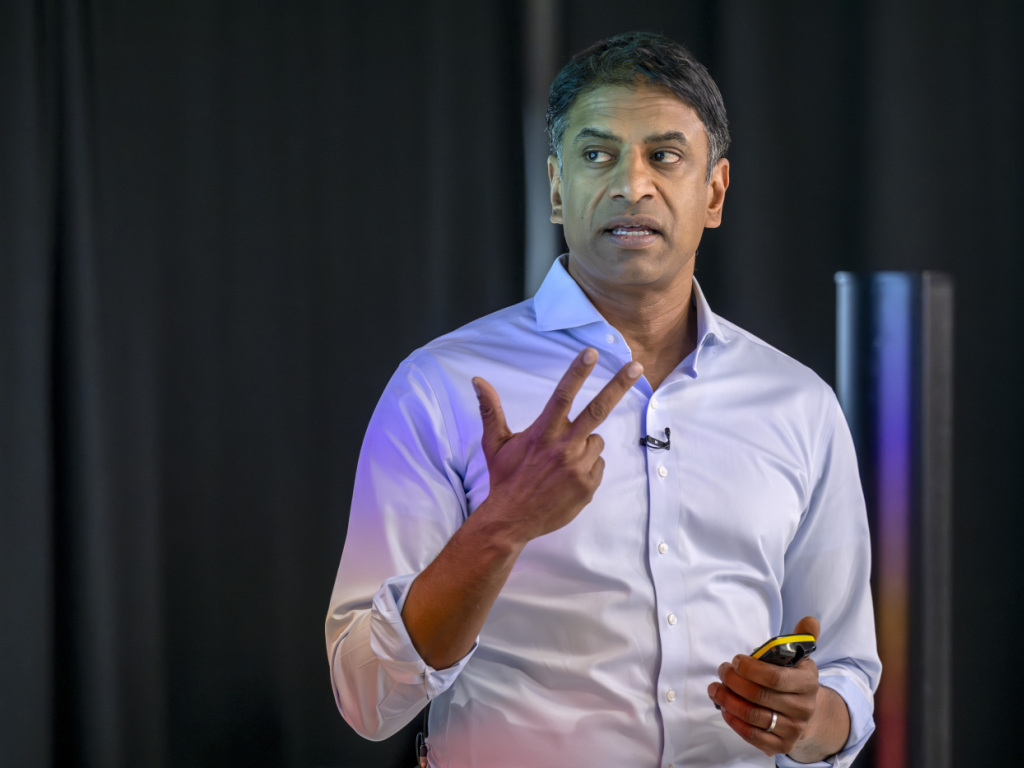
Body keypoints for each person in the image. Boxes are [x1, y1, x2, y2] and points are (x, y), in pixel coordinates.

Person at [326, 31, 880, 767]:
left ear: (714, 192)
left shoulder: (798, 403)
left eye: (665, 156)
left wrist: (812, 722)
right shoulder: (441, 386)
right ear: (557, 188)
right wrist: (501, 526)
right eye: (597, 155)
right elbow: (366, 694)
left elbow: (847, 674)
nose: (631, 185)